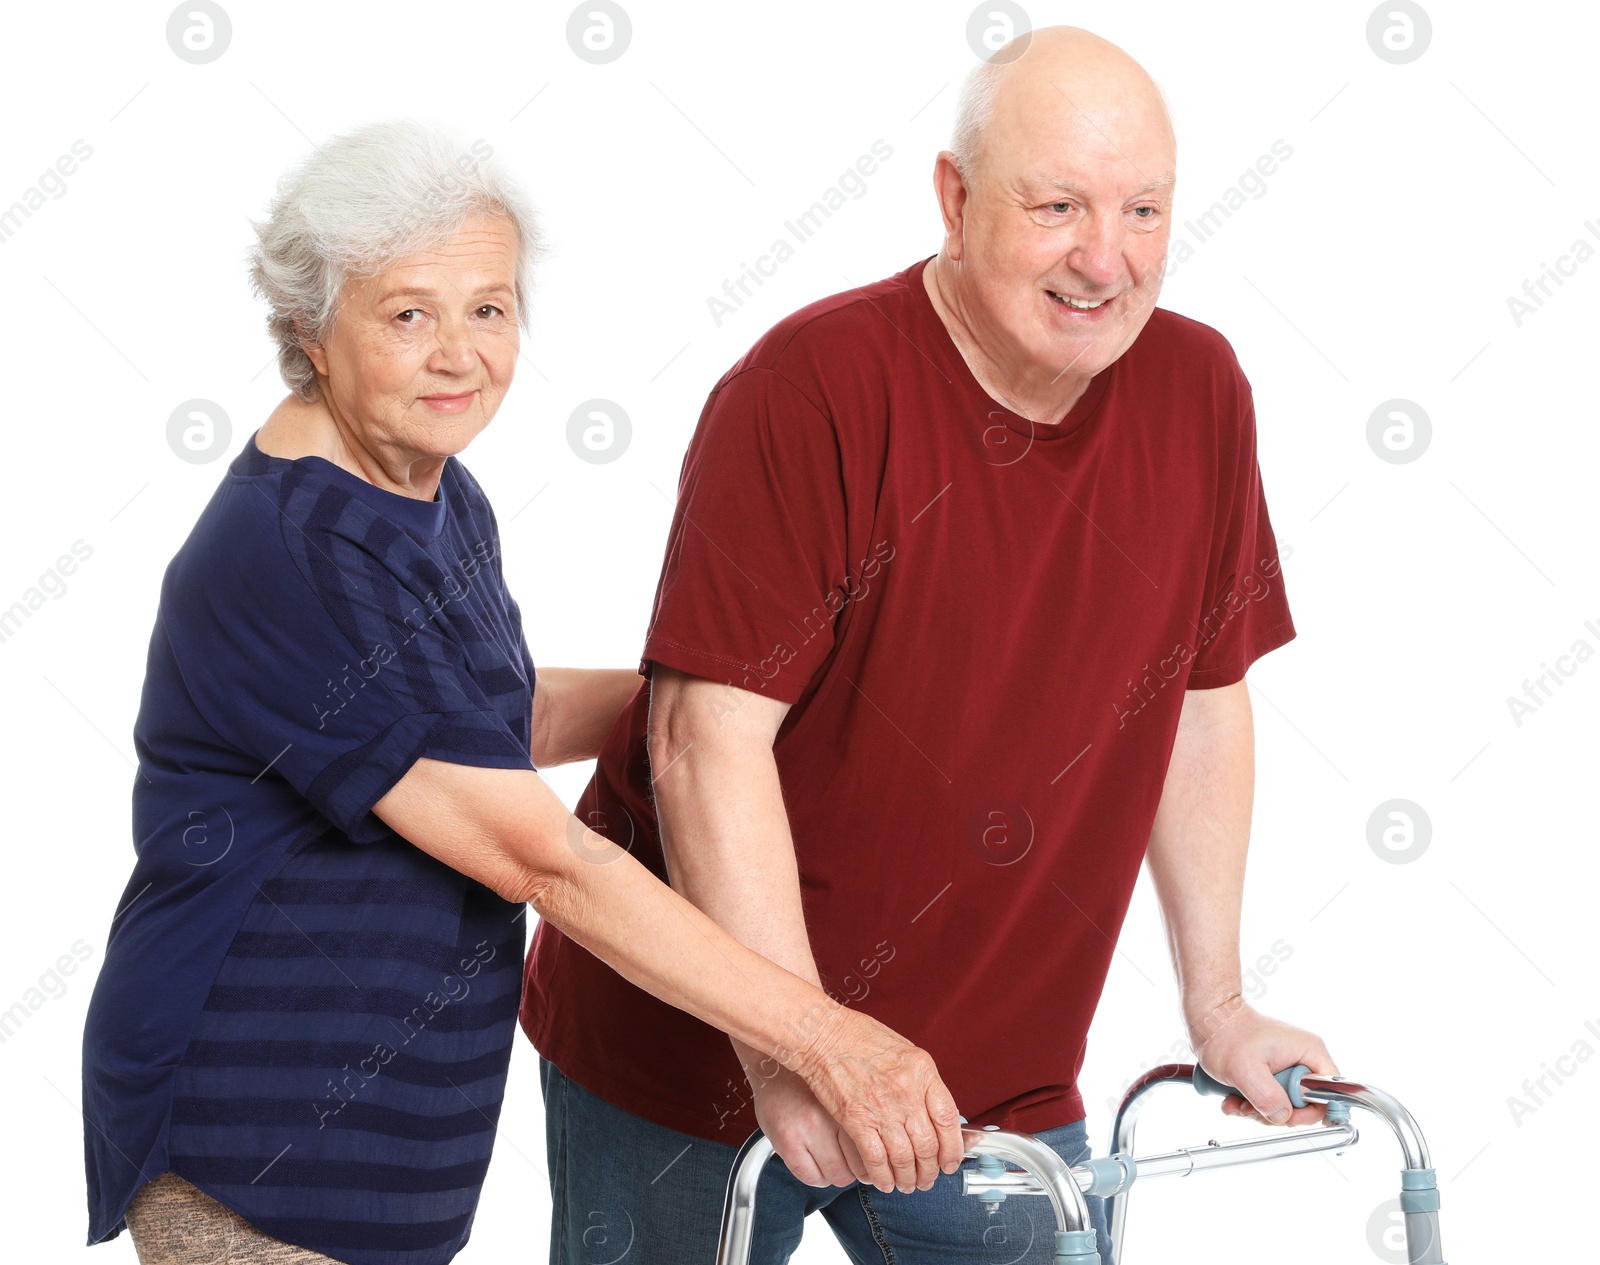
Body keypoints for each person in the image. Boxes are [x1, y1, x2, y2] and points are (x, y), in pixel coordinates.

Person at [80, 120, 964, 1265]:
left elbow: (490, 716)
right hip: (258, 1150)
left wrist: (721, 694)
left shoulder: (435, 493)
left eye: (488, 308)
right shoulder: (293, 544)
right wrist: (826, 1038)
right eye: (409, 313)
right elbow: (534, 854)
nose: (461, 354)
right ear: (309, 327)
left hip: (385, 1157)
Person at [523, 25, 1338, 1265]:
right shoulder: (810, 389)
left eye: (1142, 210)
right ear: (954, 199)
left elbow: (1200, 699)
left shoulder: (1199, 389)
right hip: (691, 1058)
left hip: (987, 1075)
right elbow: (704, 740)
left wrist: (1216, 1003)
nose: (1102, 259)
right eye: (1055, 204)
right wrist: (793, 1040)